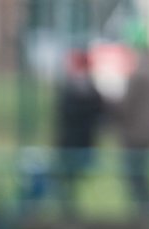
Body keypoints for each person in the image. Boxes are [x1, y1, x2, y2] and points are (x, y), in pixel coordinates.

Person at [111, 24, 149, 218]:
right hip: (147, 130)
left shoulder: (140, 73)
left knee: (135, 176)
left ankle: (146, 213)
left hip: (135, 133)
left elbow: (127, 105)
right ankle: (147, 212)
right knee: (141, 174)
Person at [52, 48, 104, 219]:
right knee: (66, 180)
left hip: (74, 142)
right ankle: (68, 210)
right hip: (78, 141)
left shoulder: (77, 89)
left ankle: (69, 212)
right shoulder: (88, 89)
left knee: (67, 178)